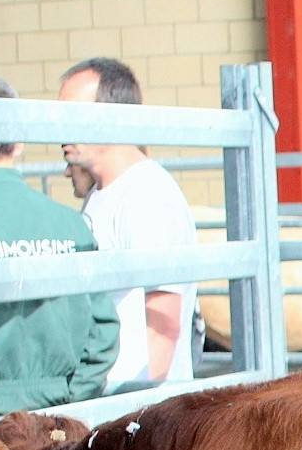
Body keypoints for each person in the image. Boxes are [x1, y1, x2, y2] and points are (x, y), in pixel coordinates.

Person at [0, 71, 118, 428]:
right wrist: (71, 402)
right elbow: (103, 330)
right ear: (17, 143)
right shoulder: (71, 225)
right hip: (55, 425)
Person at [56, 57, 200, 386]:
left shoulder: (147, 194)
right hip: (110, 401)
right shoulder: (102, 193)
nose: (59, 129)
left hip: (135, 410)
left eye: (72, 115)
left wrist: (142, 409)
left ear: (112, 116)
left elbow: (163, 320)